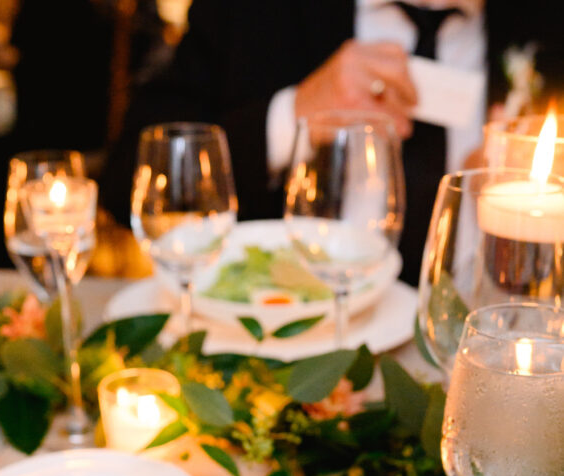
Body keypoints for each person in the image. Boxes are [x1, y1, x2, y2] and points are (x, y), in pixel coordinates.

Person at [101, 0, 560, 284]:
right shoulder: (254, 12)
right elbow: (127, 182)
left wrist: (515, 208)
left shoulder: (544, 20)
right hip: (291, 355)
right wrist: (291, 116)